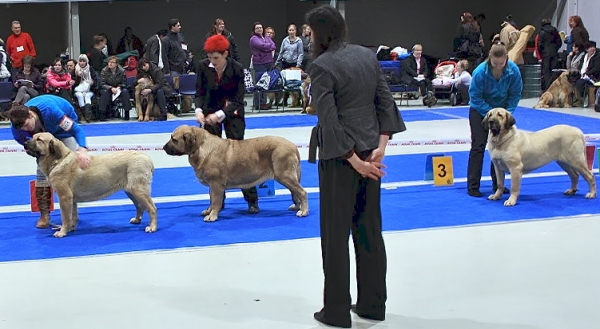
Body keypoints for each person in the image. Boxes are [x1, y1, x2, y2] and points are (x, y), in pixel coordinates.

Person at [305, 5, 406, 328]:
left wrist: (354, 162)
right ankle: (373, 305)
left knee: (335, 236)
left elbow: (330, 123)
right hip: (370, 150)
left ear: (320, 33)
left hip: (341, 160)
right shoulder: (366, 56)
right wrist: (379, 148)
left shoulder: (321, 66)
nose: (308, 38)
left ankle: (336, 310)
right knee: (369, 230)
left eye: (310, 33)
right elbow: (385, 102)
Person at [194, 34, 260, 214]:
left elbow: (239, 100)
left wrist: (221, 114)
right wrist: (198, 110)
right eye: (209, 57)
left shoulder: (237, 68)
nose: (212, 61)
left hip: (233, 115)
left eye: (216, 58)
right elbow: (199, 92)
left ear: (225, 54)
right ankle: (217, 204)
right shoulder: (202, 67)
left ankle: (252, 200)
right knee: (212, 163)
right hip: (209, 114)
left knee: (241, 158)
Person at [7, 95, 91, 229]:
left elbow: (76, 130)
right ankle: (44, 215)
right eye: (22, 129)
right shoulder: (17, 130)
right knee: (42, 173)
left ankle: (72, 215)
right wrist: (40, 157)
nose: (26, 130)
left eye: (27, 125)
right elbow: (28, 147)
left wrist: (82, 148)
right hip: (41, 140)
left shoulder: (51, 111)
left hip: (62, 131)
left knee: (68, 173)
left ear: (30, 115)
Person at [467, 42, 523, 197]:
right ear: (489, 58)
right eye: (495, 63)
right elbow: (475, 97)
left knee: (501, 147)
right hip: (480, 111)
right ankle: (472, 185)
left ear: (506, 58)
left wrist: (506, 114)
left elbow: (516, 94)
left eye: (501, 63)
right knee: (478, 146)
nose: (498, 66)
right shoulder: (479, 72)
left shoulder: (514, 71)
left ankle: (497, 185)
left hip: (502, 113)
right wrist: (491, 114)